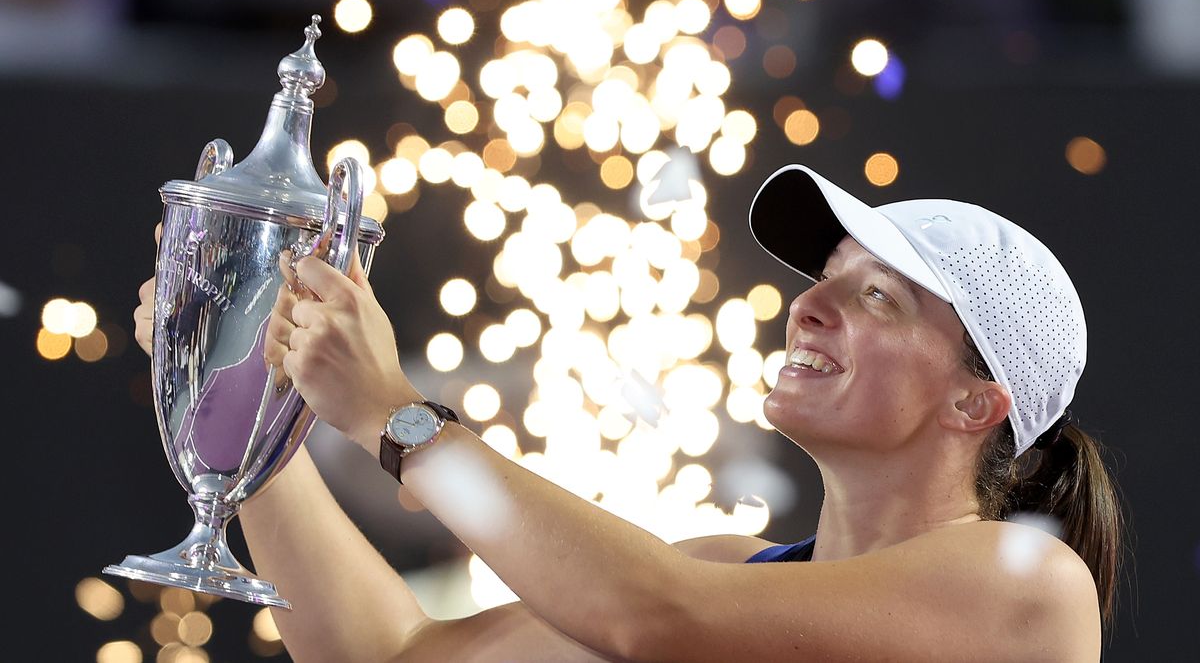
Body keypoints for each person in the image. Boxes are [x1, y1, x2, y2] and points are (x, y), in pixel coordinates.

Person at [133, 164, 1123, 661]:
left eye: (878, 299)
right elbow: (389, 655)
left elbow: (657, 616)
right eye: (828, 277)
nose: (810, 304)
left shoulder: (1026, 583)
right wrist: (248, 404)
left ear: (974, 403)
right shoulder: (723, 569)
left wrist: (395, 416)